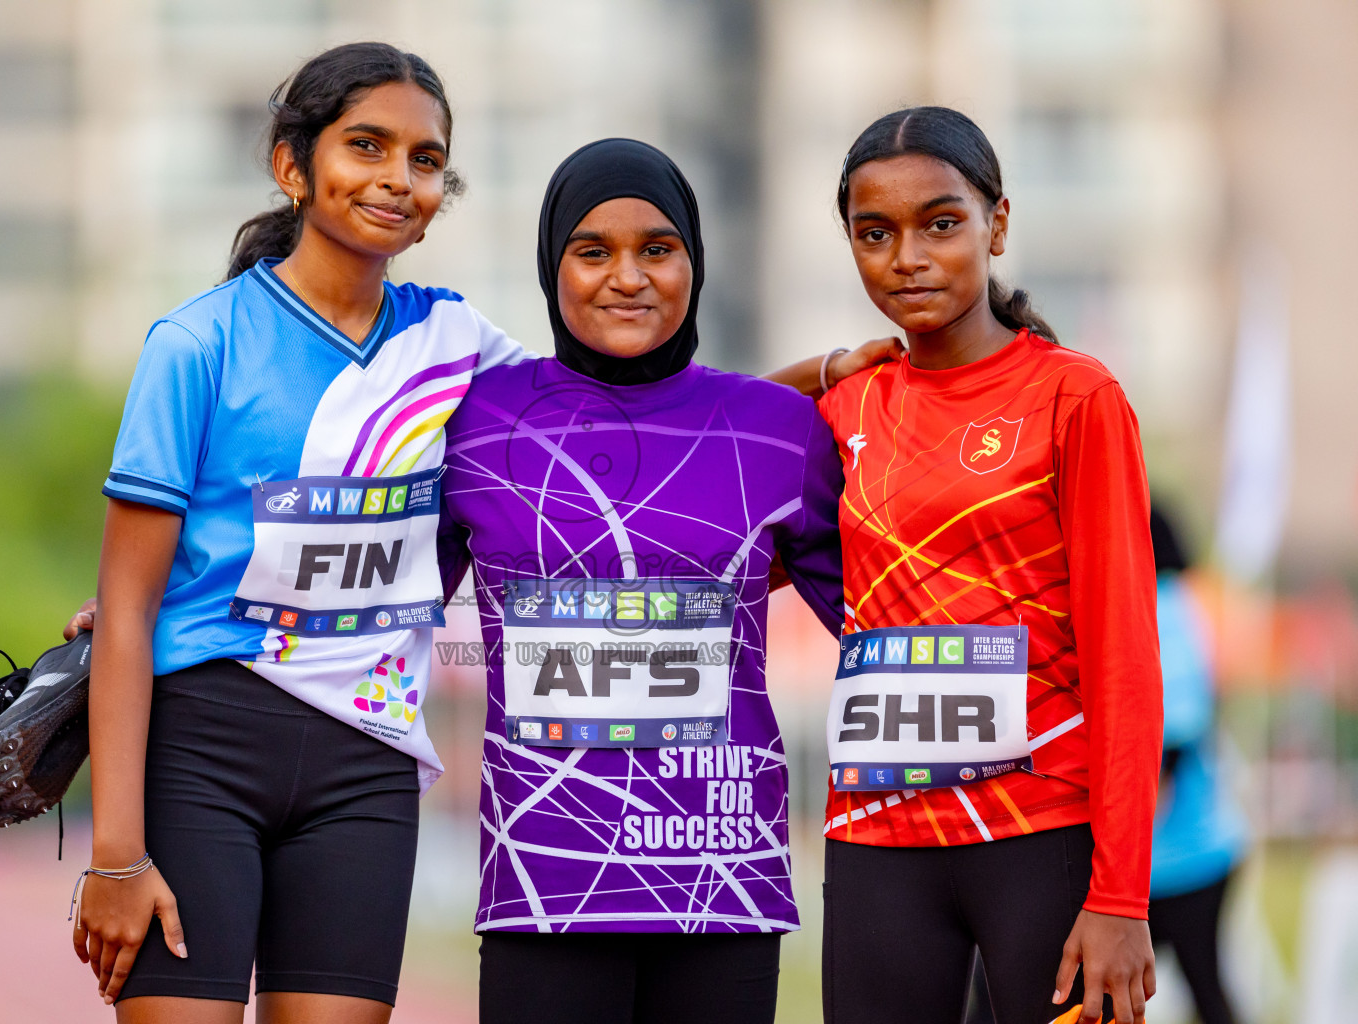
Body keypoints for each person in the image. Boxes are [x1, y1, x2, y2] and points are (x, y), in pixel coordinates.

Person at [67, 42, 531, 1024]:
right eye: (367, 146)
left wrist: (817, 380)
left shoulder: (455, 344)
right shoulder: (195, 344)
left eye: (424, 159)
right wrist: (116, 855)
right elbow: (127, 609)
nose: (398, 179)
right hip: (200, 751)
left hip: (366, 765)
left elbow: (614, 412)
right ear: (294, 166)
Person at [437, 138, 849, 1024]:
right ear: (553, 268)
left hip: (721, 878)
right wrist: (164, 611)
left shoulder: (781, 429)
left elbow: (886, 615)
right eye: (594, 251)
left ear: (694, 264)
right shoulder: (475, 420)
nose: (628, 276)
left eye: (657, 249)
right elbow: (370, 604)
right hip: (543, 880)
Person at [809, 107, 1162, 1024]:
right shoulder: (848, 407)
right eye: (874, 233)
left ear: (997, 224)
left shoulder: (1075, 397)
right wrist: (824, 368)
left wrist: (1121, 898)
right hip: (877, 833)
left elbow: (1125, 660)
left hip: (1041, 834)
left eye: (941, 223)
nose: (909, 258)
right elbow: (717, 447)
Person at [1147, 505, 1245, 1024]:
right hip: (1193, 852)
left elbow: (1175, 734)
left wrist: (1124, 840)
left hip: (1179, 858)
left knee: (1204, 995)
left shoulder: (1162, 606)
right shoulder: (1184, 603)